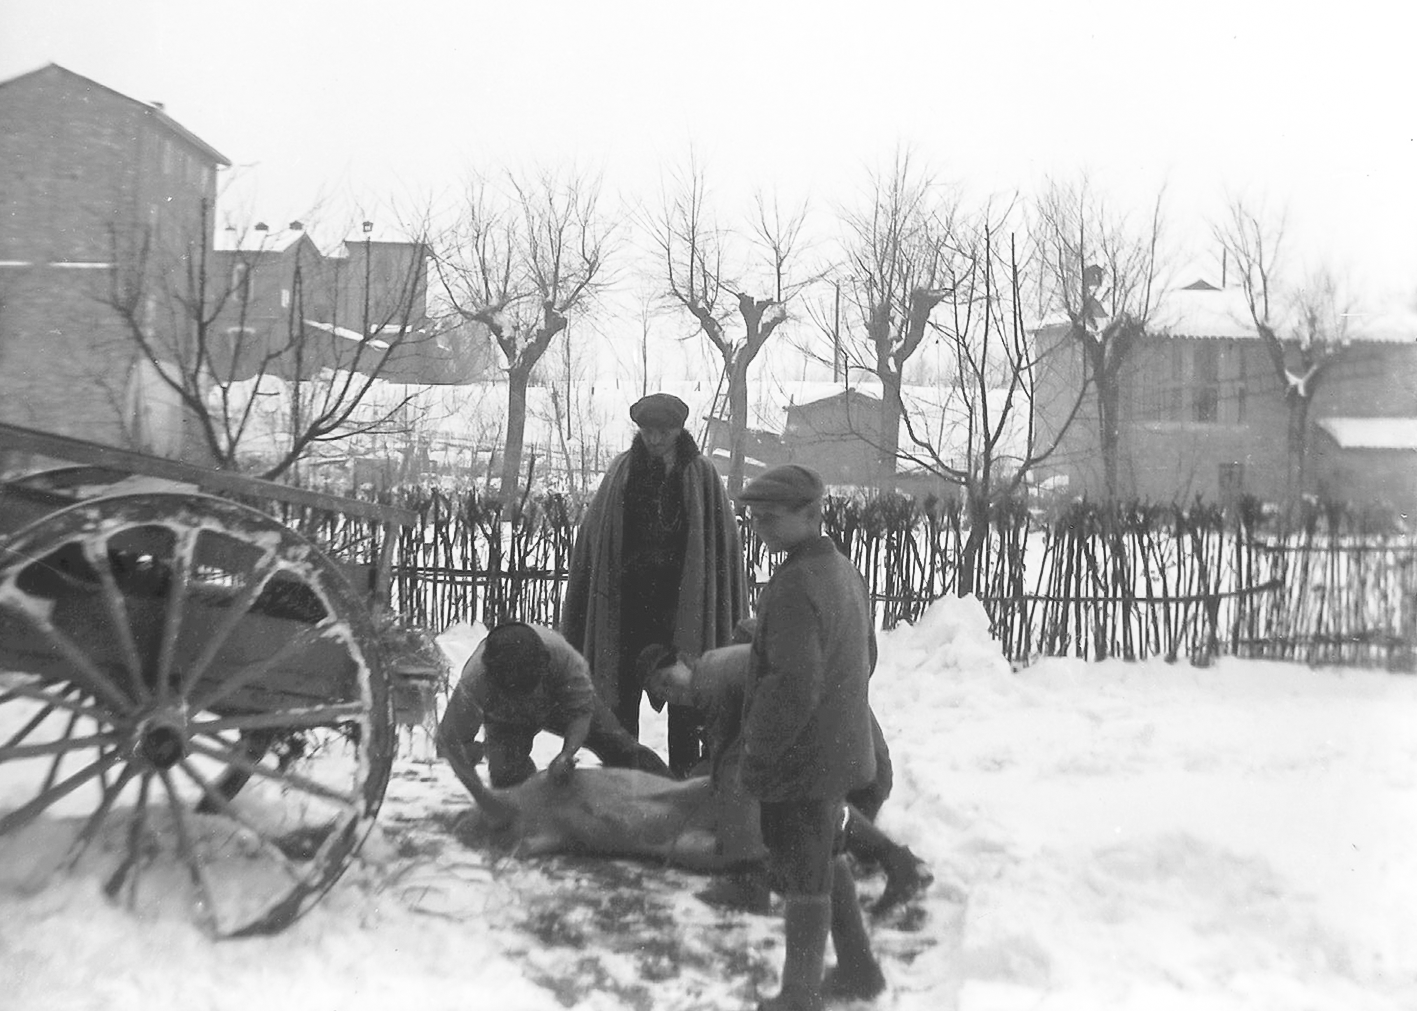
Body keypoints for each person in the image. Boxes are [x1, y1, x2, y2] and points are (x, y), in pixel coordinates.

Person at [736, 463, 888, 1009]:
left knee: (804, 869)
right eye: (754, 519)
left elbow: (793, 684)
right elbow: (867, 656)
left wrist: (758, 745)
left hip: (804, 757)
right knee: (822, 855)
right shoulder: (842, 568)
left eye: (771, 520)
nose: (760, 530)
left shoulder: (797, 584)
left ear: (812, 515)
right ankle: (860, 970)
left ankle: (798, 997)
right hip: (842, 748)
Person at [637, 641, 931, 920]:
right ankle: (900, 863)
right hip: (854, 751)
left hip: (846, 755)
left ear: (684, 661)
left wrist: (736, 847)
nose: (669, 693)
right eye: (660, 694)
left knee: (788, 802)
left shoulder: (709, 680)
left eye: (666, 680)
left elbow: (730, 765)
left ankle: (750, 882)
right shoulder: (719, 667)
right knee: (804, 804)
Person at [561, 391, 747, 777]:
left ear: (679, 430)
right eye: (648, 430)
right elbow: (595, 538)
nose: (655, 439)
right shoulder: (622, 472)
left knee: (687, 700)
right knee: (621, 700)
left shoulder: (702, 475)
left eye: (664, 431)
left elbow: (718, 549)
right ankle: (627, 779)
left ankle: (685, 780)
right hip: (628, 610)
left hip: (682, 610)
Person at [436, 621, 671, 792]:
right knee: (508, 782)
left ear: (544, 664)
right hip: (506, 719)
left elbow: (581, 713)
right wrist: (478, 751)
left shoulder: (564, 659)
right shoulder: (476, 680)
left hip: (559, 703)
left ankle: (675, 795)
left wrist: (566, 754)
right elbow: (448, 742)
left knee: (620, 745)